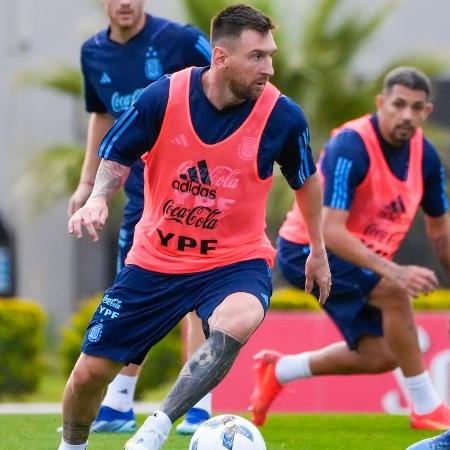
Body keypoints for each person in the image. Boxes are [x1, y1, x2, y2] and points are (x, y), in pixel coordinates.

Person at [60, 4, 331, 450]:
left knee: (240, 317)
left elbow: (307, 180)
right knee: (89, 375)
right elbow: (117, 153)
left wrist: (317, 250)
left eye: (270, 55)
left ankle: (155, 428)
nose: (269, 67)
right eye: (257, 57)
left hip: (234, 260)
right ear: (221, 58)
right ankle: (71, 445)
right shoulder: (163, 96)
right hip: (156, 260)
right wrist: (95, 198)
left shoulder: (282, 115)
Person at [248, 66, 450, 431]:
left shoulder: (426, 157)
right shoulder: (352, 144)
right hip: (307, 251)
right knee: (394, 291)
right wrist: (395, 271)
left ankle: (279, 371)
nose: (406, 114)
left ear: (426, 113)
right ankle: (428, 408)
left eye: (416, 107)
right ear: (381, 103)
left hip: (356, 259)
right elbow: (329, 229)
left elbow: (440, 231)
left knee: (383, 355)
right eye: (398, 104)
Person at [67, 0, 212, 435]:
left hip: (198, 194)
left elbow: (238, 86)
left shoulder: (182, 40)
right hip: (140, 194)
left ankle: (201, 404)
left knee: (196, 293)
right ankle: (118, 405)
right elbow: (102, 117)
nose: (125, 3)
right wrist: (88, 185)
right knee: (133, 291)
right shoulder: (92, 52)